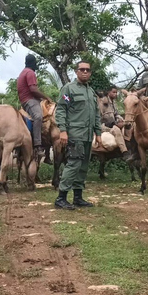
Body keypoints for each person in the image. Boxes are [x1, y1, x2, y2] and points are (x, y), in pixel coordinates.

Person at [54, 61, 103, 210]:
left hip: (87, 135)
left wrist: (98, 133)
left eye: (87, 70)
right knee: (73, 164)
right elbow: (61, 109)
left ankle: (78, 197)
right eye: (82, 69)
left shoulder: (91, 92)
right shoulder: (69, 90)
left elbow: (96, 114)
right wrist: (62, 130)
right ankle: (61, 198)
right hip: (75, 134)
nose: (85, 72)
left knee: (83, 166)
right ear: (76, 71)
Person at [17, 54, 53, 159]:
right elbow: (33, 90)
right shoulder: (30, 72)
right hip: (29, 100)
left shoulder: (23, 72)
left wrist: (41, 99)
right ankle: (37, 144)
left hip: (28, 99)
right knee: (38, 116)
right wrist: (47, 98)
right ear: (33, 63)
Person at [100, 85, 133, 162]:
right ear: (108, 92)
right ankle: (124, 151)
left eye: (116, 92)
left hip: (113, 123)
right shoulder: (102, 103)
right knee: (116, 129)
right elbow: (99, 117)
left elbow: (116, 114)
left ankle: (129, 145)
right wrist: (112, 124)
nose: (115, 94)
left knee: (128, 125)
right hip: (103, 125)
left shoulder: (113, 103)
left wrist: (121, 119)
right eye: (113, 92)